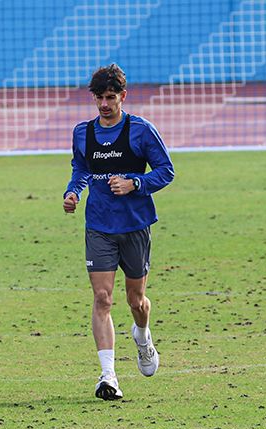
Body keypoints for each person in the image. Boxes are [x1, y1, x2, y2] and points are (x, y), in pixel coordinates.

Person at [63, 64, 174, 400]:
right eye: (99, 98)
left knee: (136, 300)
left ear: (123, 96)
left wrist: (135, 183)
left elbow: (166, 171)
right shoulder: (83, 133)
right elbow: (81, 168)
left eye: (110, 97)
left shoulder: (141, 130)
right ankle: (108, 376)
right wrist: (73, 191)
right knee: (102, 298)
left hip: (135, 225)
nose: (104, 104)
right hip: (98, 225)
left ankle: (142, 336)